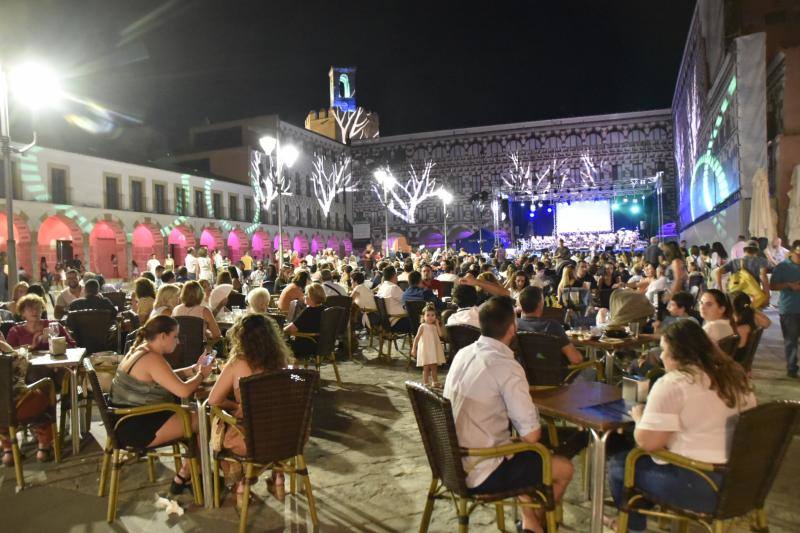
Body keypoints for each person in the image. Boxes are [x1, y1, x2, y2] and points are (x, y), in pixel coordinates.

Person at [607, 320, 756, 533]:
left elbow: (648, 443)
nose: (660, 356)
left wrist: (640, 417)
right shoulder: (735, 376)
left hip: (703, 486)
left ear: (678, 354)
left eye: (665, 350)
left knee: (620, 465)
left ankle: (632, 527)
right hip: (745, 482)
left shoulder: (674, 383)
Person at [444, 296, 574, 533]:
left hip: (449, 461)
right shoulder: (505, 365)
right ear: (513, 327)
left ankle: (531, 523)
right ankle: (541, 521)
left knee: (519, 451)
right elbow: (532, 435)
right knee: (562, 467)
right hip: (481, 470)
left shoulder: (463, 353)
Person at [110, 315, 214, 495]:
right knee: (204, 421)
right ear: (163, 336)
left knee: (195, 417)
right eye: (175, 336)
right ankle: (190, 476)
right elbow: (182, 392)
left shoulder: (140, 351)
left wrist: (192, 369)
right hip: (138, 428)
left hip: (124, 421)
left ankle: (189, 474)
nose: (179, 341)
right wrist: (201, 375)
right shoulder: (152, 359)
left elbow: (163, 376)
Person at [208, 313, 290, 505]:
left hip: (249, 440)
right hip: (286, 436)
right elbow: (293, 383)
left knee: (217, 430)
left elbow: (213, 400)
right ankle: (278, 477)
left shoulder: (238, 363)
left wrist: (235, 405)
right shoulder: (281, 362)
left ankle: (241, 484)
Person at [0, 333, 57, 464]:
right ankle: (44, 446)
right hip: (17, 408)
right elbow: (22, 366)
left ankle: (9, 450)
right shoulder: (5, 356)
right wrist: (5, 346)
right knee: (45, 391)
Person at [517, 286, 586, 367]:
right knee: (591, 371)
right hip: (555, 377)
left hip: (523, 376)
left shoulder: (514, 325)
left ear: (520, 305)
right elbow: (576, 359)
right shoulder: (552, 326)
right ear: (540, 304)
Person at [769, 240, 800, 377]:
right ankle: (792, 368)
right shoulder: (782, 267)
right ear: (792, 252)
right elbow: (773, 286)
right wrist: (789, 285)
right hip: (789, 309)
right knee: (791, 341)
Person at [7, 294, 75, 350]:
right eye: (30, 308)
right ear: (22, 312)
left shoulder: (53, 326)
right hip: (28, 366)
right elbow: (9, 351)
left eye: (38, 308)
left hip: (54, 364)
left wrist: (55, 342)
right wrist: (32, 346)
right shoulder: (16, 331)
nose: (35, 311)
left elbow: (72, 345)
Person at [284, 283, 327, 358]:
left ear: (311, 297)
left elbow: (291, 329)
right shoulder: (325, 309)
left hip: (306, 345)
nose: (304, 296)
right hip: (322, 344)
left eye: (306, 294)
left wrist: (282, 329)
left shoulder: (308, 312)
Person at [410, 303, 445, 386]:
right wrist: (414, 349)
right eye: (428, 315)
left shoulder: (434, 326)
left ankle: (435, 382)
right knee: (426, 368)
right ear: (423, 317)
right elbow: (417, 338)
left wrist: (437, 324)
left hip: (433, 349)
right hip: (426, 349)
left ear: (436, 317)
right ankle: (425, 382)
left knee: (434, 367)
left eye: (433, 315)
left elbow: (441, 335)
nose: (430, 317)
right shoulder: (422, 326)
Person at [376, 265, 410, 333]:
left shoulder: (382, 287)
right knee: (420, 320)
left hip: (386, 323)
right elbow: (407, 300)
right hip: (397, 322)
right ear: (394, 275)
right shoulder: (393, 287)